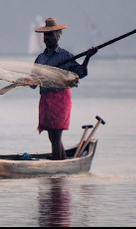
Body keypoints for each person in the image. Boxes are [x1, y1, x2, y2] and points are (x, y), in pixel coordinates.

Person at [33, 17, 98, 160]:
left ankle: (57, 170)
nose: (46, 39)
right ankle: (61, 164)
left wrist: (87, 57)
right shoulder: (40, 58)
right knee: (52, 136)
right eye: (45, 35)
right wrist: (24, 81)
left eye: (50, 35)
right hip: (45, 98)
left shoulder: (65, 55)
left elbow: (80, 73)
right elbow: (34, 81)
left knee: (56, 135)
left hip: (59, 97)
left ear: (57, 37)